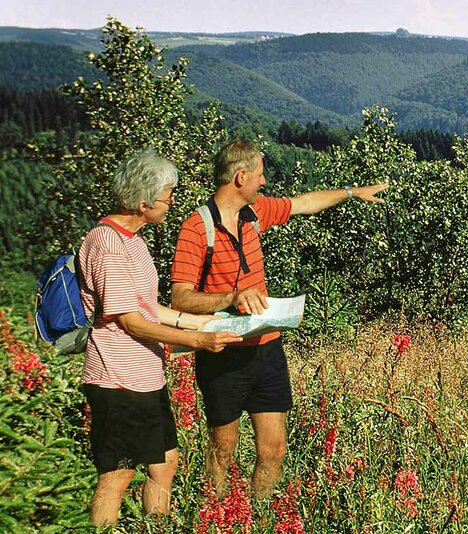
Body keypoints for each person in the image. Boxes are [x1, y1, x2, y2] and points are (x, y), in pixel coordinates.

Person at [171, 138, 387, 498]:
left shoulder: (255, 213)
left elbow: (303, 204)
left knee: (274, 449)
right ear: (240, 177)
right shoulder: (197, 228)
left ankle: (258, 514)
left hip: (267, 350)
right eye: (259, 174)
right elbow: (180, 297)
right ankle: (215, 515)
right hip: (223, 353)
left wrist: (352, 192)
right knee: (222, 450)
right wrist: (231, 297)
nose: (264, 181)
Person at [78, 149, 243, 526]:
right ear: (143, 202)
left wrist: (198, 322)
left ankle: (156, 527)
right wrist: (199, 342)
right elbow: (131, 321)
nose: (171, 202)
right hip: (116, 378)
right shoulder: (107, 244)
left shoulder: (133, 240)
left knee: (165, 463)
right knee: (118, 474)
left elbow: (146, 306)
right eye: (167, 196)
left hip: (145, 377)